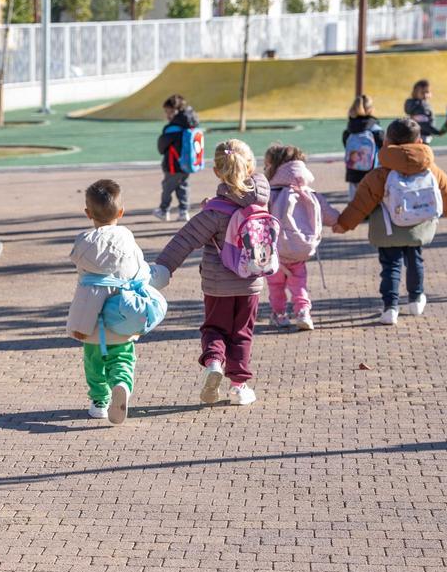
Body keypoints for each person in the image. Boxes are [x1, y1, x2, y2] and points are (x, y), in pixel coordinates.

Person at [156, 139, 269, 407]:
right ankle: (240, 386)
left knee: (214, 328)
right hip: (252, 280)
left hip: (217, 284)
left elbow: (184, 240)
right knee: (242, 332)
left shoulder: (214, 212)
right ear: (251, 166)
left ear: (217, 171)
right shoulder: (264, 202)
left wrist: (162, 268)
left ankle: (214, 362)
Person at [333, 118, 447, 326]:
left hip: (388, 230)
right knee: (415, 261)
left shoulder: (380, 174)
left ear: (386, 143)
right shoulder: (431, 169)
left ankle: (390, 307)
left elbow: (361, 203)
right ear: (419, 140)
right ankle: (415, 299)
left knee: (391, 267)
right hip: (418, 227)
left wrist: (344, 224)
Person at [67, 179, 156, 423]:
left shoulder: (83, 242)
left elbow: (78, 263)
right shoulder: (127, 238)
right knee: (123, 355)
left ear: (88, 213)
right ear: (121, 212)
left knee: (94, 360)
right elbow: (139, 269)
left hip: (90, 314)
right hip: (122, 310)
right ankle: (122, 385)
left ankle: (99, 402)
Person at [262, 144, 339, 331]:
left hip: (276, 253)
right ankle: (303, 311)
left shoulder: (269, 194)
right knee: (299, 284)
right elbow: (331, 216)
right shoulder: (310, 194)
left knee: (276, 286)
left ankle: (279, 315)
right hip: (300, 251)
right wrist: (341, 223)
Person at [154, 94, 200, 222]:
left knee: (167, 188)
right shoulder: (190, 125)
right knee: (183, 186)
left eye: (169, 112)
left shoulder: (172, 129)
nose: (167, 115)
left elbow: (162, 147)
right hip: (187, 164)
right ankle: (183, 211)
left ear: (176, 111)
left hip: (172, 164)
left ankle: (164, 210)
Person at [343, 94, 384, 198]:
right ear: (371, 109)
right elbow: (384, 150)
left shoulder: (348, 131)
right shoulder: (376, 131)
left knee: (354, 204)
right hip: (372, 173)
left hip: (353, 173)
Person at [405, 79, 447, 145]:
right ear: (415, 92)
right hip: (421, 137)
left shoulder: (419, 104)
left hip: (419, 136)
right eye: (422, 92)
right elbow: (424, 124)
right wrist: (437, 132)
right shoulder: (421, 106)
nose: (425, 95)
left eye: (427, 92)